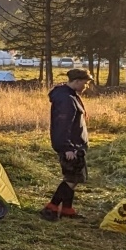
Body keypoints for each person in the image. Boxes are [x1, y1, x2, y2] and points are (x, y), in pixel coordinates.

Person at [42, 68, 92, 221]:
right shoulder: (66, 100)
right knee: (71, 179)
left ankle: (67, 210)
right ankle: (51, 207)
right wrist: (67, 147)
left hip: (76, 146)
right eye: (85, 83)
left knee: (74, 178)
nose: (86, 87)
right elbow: (62, 125)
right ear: (76, 81)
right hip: (71, 147)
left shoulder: (70, 96)